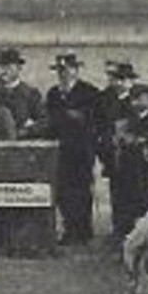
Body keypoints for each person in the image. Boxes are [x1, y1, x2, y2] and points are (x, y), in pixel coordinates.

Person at [45, 53, 101, 244]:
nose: (64, 74)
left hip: (81, 150)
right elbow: (49, 120)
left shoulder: (89, 92)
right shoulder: (53, 93)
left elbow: (96, 121)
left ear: (76, 70)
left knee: (82, 190)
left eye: (68, 70)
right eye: (60, 70)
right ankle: (70, 229)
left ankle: (84, 230)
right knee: (63, 190)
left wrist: (79, 117)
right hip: (61, 149)